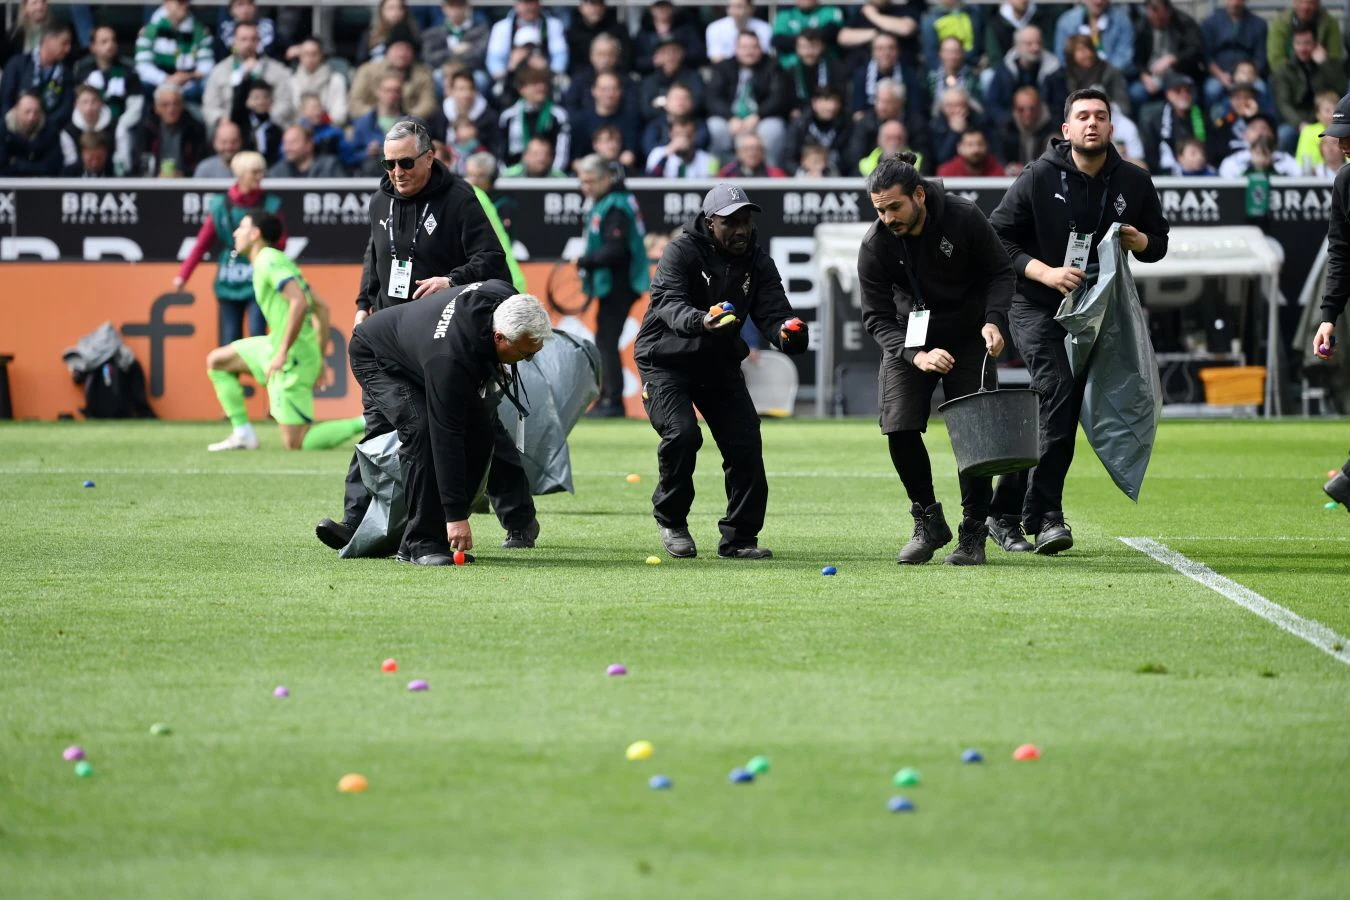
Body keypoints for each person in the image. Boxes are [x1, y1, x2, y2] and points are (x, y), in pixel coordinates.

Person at [317, 118, 540, 554]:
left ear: (430, 157)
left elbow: (493, 262)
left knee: (481, 429)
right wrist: (363, 303)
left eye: (405, 163)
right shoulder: (380, 200)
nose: (396, 173)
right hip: (391, 338)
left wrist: (451, 280)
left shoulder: (460, 199)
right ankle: (356, 521)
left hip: (449, 337)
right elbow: (374, 254)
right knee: (381, 425)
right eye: (388, 164)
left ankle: (518, 520)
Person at [986, 89, 1170, 554]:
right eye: (1083, 116)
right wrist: (1045, 272)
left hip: (1097, 310)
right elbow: (997, 238)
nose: (1092, 123)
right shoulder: (1037, 176)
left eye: (1100, 116)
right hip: (1035, 303)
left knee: (1059, 407)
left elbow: (1160, 243)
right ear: (1066, 129)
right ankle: (1045, 514)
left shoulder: (1134, 181)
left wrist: (1140, 241)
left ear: (1111, 128)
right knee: (1060, 392)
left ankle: (1004, 514)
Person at [635, 184, 809, 559]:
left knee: (745, 442)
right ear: (710, 222)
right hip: (665, 360)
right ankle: (672, 520)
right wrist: (702, 320)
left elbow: (774, 313)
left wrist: (789, 333)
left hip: (718, 362)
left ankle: (740, 539)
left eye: (745, 220)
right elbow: (667, 302)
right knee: (682, 435)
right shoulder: (681, 250)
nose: (741, 229)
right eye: (731, 222)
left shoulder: (758, 262)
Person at [858, 152, 1012, 565]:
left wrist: (994, 321)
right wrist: (916, 355)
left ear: (919, 195)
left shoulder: (963, 216)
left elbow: (1000, 272)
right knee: (898, 424)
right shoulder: (875, 244)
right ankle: (927, 518)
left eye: (895, 207)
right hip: (910, 337)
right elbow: (875, 317)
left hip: (970, 333)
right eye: (880, 210)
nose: (888, 218)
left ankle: (973, 531)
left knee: (975, 432)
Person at [344, 282, 551, 565]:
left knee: (481, 434)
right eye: (525, 354)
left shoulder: (503, 295)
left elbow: (492, 281)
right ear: (499, 337)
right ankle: (421, 544)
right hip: (375, 354)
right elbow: (446, 438)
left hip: (421, 349)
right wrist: (455, 517)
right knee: (423, 431)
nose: (527, 360)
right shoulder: (449, 361)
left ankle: (432, 532)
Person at [206, 211, 364, 452]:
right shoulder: (274, 260)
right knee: (218, 361)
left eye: (242, 227)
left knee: (296, 442)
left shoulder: (268, 260)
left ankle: (367, 421)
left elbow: (299, 302)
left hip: (292, 356)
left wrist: (283, 352)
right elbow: (321, 307)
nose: (236, 232)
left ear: (255, 233)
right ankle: (243, 434)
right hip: (275, 345)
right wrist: (319, 357)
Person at [175, 149, 280, 343]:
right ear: (241, 174)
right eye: (255, 172)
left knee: (258, 335)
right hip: (229, 279)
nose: (260, 177)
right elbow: (202, 244)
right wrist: (183, 275)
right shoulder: (220, 205)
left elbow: (281, 241)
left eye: (261, 172)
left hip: (259, 278)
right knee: (230, 339)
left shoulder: (270, 204)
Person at [574, 155, 649, 417]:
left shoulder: (616, 206)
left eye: (590, 181)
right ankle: (608, 397)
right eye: (582, 181)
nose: (586, 187)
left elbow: (616, 249)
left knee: (606, 340)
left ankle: (612, 401)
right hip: (615, 282)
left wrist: (585, 261)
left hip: (621, 282)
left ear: (606, 178)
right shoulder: (608, 201)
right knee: (605, 339)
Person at [1316, 92, 1350, 508]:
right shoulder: (1345, 181)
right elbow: (1341, 251)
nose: (1341, 144)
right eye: (1338, 135)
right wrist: (1329, 316)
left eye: (1348, 135)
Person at [706, 30, 791, 169]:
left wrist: (758, 115)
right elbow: (712, 98)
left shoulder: (773, 66)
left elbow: (779, 97)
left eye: (754, 47)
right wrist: (730, 117)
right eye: (744, 47)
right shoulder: (723, 67)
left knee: (774, 129)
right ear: (736, 49)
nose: (749, 52)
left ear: (761, 48)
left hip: (760, 119)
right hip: (730, 119)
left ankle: (772, 173)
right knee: (714, 127)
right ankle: (714, 172)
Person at [203, 20, 292, 132]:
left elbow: (285, 103)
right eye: (243, 39)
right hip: (230, 129)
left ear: (259, 42)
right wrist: (224, 122)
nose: (248, 44)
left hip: (268, 130)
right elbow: (210, 107)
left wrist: (266, 119)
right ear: (234, 42)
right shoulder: (219, 71)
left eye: (253, 39)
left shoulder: (277, 70)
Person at [350, 24, 438, 122]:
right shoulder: (367, 71)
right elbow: (355, 103)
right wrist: (378, 116)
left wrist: (406, 119)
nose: (402, 54)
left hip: (411, 123)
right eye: (398, 48)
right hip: (371, 123)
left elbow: (428, 104)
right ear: (388, 51)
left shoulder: (423, 73)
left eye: (407, 49)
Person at [0, 19, 74, 138]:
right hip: (13, 132)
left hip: (49, 135)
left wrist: (43, 128)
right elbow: (5, 101)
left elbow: (65, 109)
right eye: (64, 43)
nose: (68, 49)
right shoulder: (17, 64)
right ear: (48, 39)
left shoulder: (66, 74)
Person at [985, 25, 1067, 129]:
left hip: (1045, 126)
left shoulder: (1054, 70)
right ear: (1017, 45)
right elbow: (993, 104)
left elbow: (1061, 106)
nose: (1035, 48)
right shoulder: (1005, 71)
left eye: (1039, 43)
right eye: (1029, 44)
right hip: (1011, 127)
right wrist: (1009, 120)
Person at [1129, 0, 1206, 110]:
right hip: (1153, 76)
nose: (1150, 13)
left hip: (1180, 73)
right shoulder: (1143, 25)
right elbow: (1137, 59)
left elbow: (1196, 50)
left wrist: (1173, 58)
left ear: (1167, 10)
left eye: (1155, 9)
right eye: (1148, 9)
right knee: (1136, 93)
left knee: (1192, 93)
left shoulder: (1183, 23)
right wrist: (1144, 76)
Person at [135, 0, 214, 104]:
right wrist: (167, 79)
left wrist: (188, 76)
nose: (185, 6)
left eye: (187, 2)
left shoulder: (200, 31)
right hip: (157, 84)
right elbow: (143, 65)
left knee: (207, 84)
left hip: (189, 86)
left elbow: (207, 65)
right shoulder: (149, 30)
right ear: (167, 3)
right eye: (180, 2)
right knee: (142, 85)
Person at [1201, 0, 1268, 110]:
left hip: (1248, 73)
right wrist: (1220, 75)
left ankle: (1259, 119)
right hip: (1220, 74)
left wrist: (1248, 74)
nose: (1235, 3)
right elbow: (1207, 56)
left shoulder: (1259, 24)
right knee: (1211, 90)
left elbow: (1260, 57)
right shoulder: (1210, 23)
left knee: (1261, 88)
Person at [132, 83, 208, 177]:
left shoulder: (195, 128)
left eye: (176, 104)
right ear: (156, 108)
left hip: (187, 181)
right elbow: (138, 162)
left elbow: (201, 162)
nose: (171, 110)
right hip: (153, 181)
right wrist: (156, 175)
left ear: (182, 106)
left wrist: (184, 174)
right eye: (165, 105)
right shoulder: (146, 128)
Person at [75, 25, 143, 127]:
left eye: (113, 40)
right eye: (104, 42)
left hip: (122, 125)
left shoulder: (128, 70)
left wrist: (122, 127)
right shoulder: (83, 71)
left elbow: (136, 105)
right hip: (90, 127)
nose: (110, 45)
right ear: (93, 47)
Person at [290, 39, 349, 128]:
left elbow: (340, 114)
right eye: (306, 54)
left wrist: (320, 119)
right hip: (300, 129)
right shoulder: (292, 82)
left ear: (321, 55)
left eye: (314, 54)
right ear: (300, 57)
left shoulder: (336, 80)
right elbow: (291, 113)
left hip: (329, 128)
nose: (310, 58)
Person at [0, 91, 61, 175]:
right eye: (27, 112)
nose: (31, 117)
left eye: (36, 112)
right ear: (17, 109)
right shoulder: (3, 130)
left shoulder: (50, 131)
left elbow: (52, 167)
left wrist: (17, 163)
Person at [705, 0, 773, 64]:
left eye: (739, 6)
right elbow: (716, 58)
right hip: (726, 70)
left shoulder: (765, 28)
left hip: (758, 69)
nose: (734, 11)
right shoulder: (715, 28)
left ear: (751, 8)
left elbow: (765, 56)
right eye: (731, 6)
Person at [267, 124, 346, 177]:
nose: (287, 148)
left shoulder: (330, 167)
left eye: (293, 142)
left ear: (309, 144)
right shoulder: (277, 172)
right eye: (285, 143)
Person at [936, 127, 1002, 176]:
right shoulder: (947, 172)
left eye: (980, 144)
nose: (976, 149)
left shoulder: (997, 169)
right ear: (959, 148)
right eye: (969, 145)